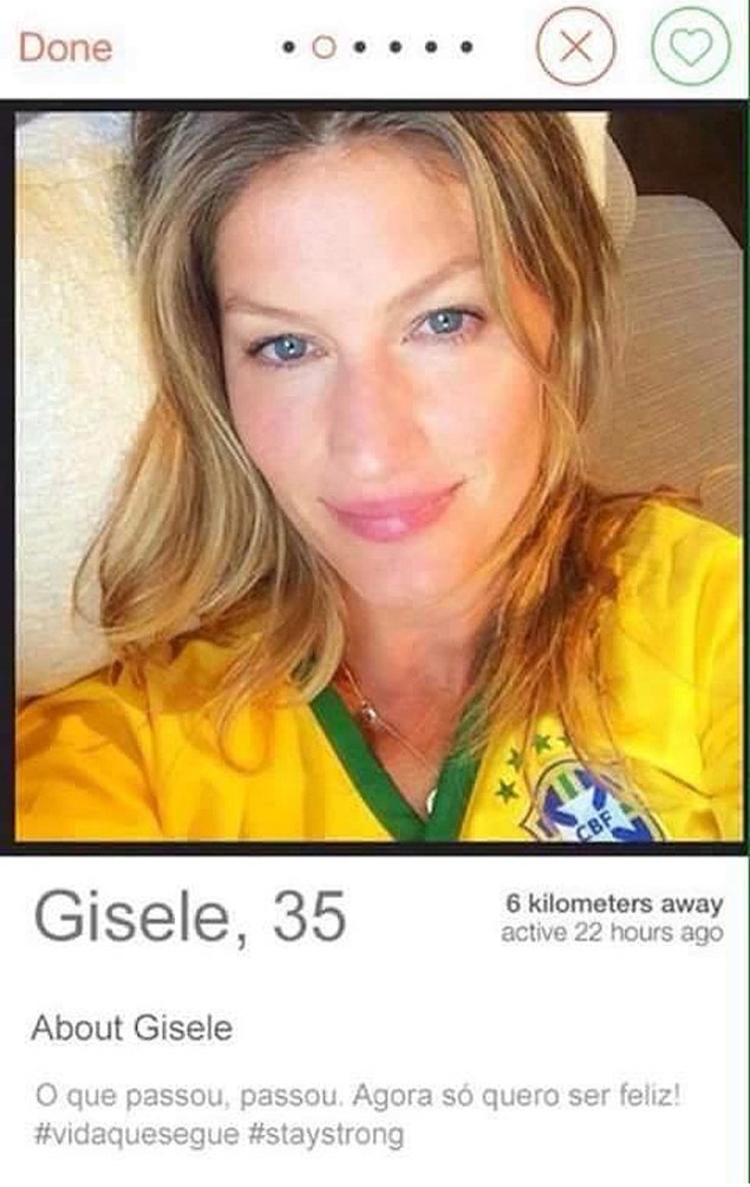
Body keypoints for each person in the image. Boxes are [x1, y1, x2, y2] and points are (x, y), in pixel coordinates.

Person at [16, 110, 741, 842]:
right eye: (287, 346)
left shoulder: (710, 620)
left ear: (560, 317)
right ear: (218, 376)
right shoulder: (118, 745)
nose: (371, 449)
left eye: (444, 321)